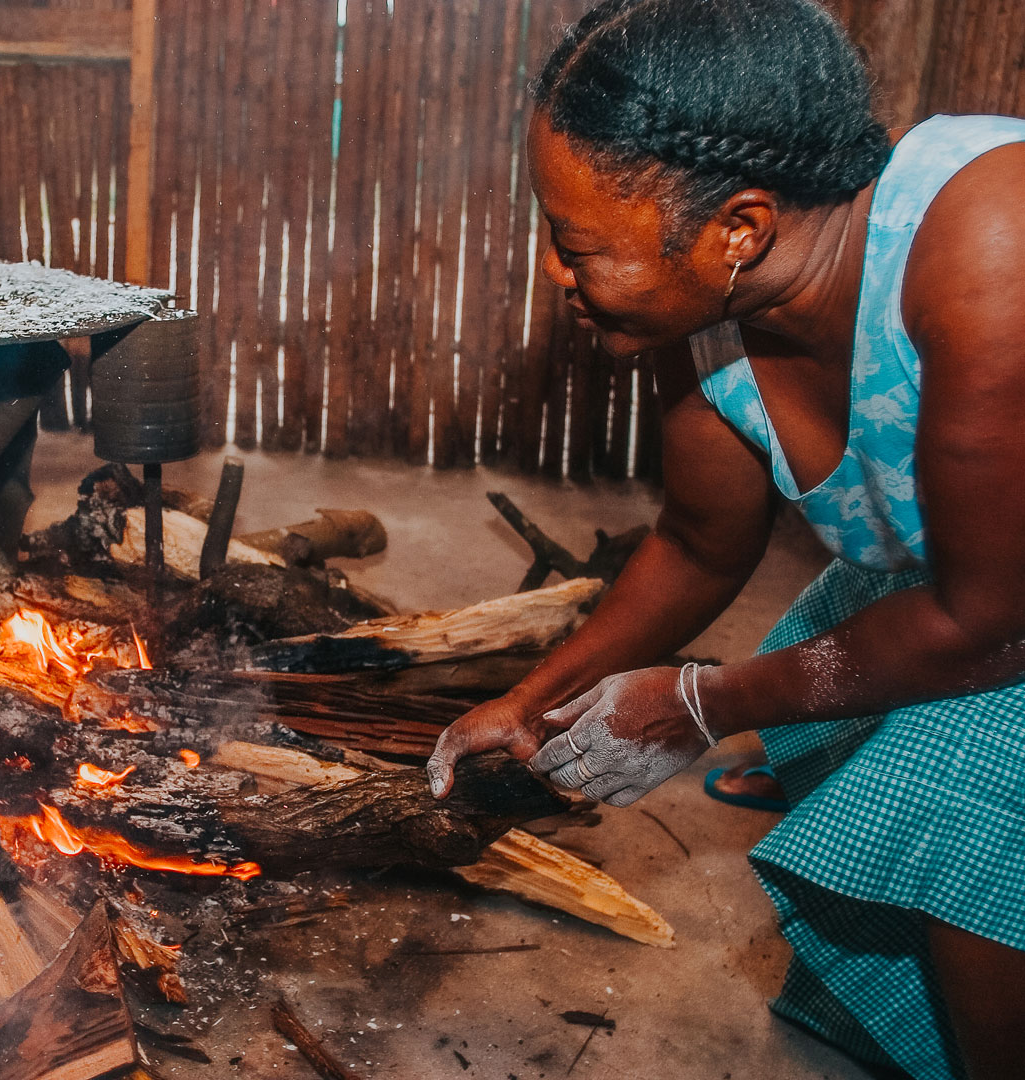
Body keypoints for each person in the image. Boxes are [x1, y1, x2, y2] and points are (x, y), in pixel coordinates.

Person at [422, 1, 1025, 1078]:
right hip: (985, 587)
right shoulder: (717, 340)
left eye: (576, 246)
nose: (558, 275)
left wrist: (704, 701)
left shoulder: (989, 245)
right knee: (840, 654)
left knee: (949, 780)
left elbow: (990, 624)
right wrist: (530, 698)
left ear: (737, 228)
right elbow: (699, 551)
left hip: (1004, 614)